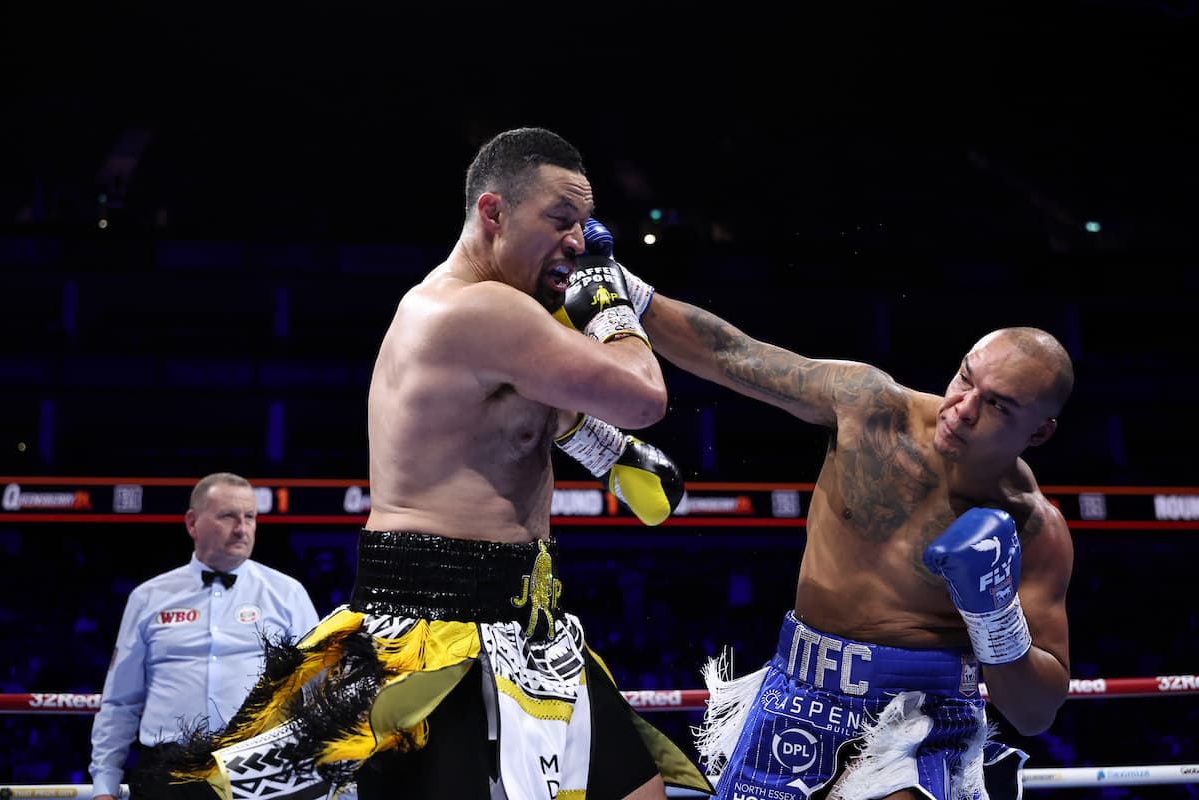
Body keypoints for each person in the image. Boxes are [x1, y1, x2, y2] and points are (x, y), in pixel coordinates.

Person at [163, 128, 708, 800]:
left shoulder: (503, 318)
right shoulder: (477, 308)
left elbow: (554, 425)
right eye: (561, 222)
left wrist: (607, 450)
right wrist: (607, 298)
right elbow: (646, 396)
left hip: (531, 624)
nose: (577, 242)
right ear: (492, 213)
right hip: (436, 633)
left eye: (585, 227)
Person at [581, 219, 1074, 800]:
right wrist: (616, 286)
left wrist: (997, 621)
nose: (962, 408)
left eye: (997, 406)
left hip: (916, 726)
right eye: (965, 378)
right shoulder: (871, 408)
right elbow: (734, 354)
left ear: (1038, 434)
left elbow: (1037, 711)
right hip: (796, 690)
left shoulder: (1033, 527)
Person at [88, 472, 321, 800]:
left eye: (250, 517)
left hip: (260, 766)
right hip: (168, 772)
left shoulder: (287, 593)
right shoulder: (149, 597)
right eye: (228, 516)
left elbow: (316, 690)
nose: (242, 528)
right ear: (192, 523)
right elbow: (120, 701)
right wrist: (105, 783)